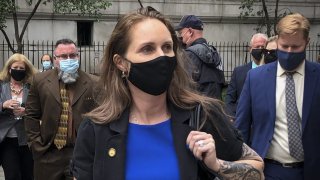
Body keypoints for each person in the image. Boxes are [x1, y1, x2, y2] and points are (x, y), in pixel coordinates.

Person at [71, 6, 264, 180]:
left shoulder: (202, 115)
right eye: (147, 49)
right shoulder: (95, 129)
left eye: (167, 47)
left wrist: (216, 165)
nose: (162, 56)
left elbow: (257, 166)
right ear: (121, 63)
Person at [235, 13, 320, 179]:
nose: (289, 52)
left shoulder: (317, 77)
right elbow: (241, 128)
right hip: (267, 170)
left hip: (311, 170)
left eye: (295, 47)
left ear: (307, 43)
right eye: (284, 46)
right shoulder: (255, 78)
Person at [25, 39, 97, 180]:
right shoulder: (40, 80)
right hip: (48, 153)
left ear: (78, 56)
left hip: (80, 154)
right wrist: (36, 145)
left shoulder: (94, 83)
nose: (69, 59)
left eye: (73, 55)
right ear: (55, 59)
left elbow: (100, 117)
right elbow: (31, 115)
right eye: (64, 56)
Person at [0, 53, 37, 180]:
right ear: (9, 69)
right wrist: (3, 105)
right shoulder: (1, 86)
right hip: (6, 140)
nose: (18, 71)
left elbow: (40, 109)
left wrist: (26, 112)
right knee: (12, 175)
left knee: (29, 175)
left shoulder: (31, 87)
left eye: (22, 68)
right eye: (16, 67)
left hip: (27, 139)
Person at [175, 15, 225, 99]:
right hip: (216, 107)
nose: (180, 37)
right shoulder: (214, 53)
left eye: (181, 33)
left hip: (198, 108)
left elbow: (185, 87)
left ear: (190, 31)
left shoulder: (190, 54)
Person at [225, 33, 268, 117]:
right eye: (257, 47)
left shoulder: (273, 71)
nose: (260, 49)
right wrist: (231, 117)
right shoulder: (239, 72)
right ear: (250, 49)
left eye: (263, 47)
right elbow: (230, 99)